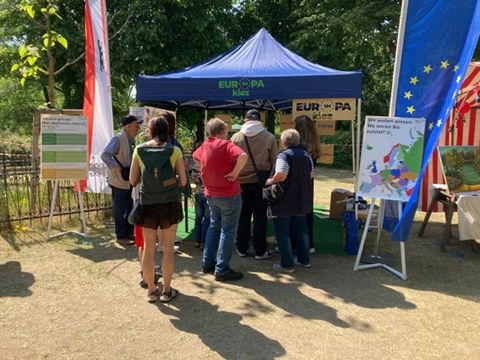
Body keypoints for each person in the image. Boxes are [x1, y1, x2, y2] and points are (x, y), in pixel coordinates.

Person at [130, 115, 187, 303]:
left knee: (148, 248)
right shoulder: (175, 150)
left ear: (151, 131)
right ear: (167, 130)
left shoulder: (139, 149)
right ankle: (167, 291)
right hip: (169, 202)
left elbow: (132, 180)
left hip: (148, 203)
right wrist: (170, 181)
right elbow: (184, 181)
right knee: (168, 249)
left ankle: (152, 291)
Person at [193, 118, 248, 282]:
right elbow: (243, 156)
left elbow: (196, 158)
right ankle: (222, 268)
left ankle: (207, 263)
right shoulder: (226, 144)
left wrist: (207, 170)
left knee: (213, 227)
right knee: (228, 230)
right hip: (229, 193)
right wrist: (235, 172)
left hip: (211, 193)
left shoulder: (204, 145)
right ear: (222, 131)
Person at [231, 109, 278, 259]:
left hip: (241, 182)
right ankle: (260, 250)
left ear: (245, 120)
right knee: (260, 217)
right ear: (260, 120)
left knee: (243, 216)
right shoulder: (269, 137)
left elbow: (231, 160)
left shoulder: (236, 137)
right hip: (261, 182)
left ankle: (242, 248)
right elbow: (275, 161)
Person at [266, 129, 314, 273]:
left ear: (283, 142)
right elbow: (311, 174)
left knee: (283, 232)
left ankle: (286, 264)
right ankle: (304, 259)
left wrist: (270, 180)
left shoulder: (284, 156)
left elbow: (281, 174)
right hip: (301, 198)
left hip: (284, 199)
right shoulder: (307, 156)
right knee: (301, 230)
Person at [101, 114, 142, 246]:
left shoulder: (127, 139)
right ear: (128, 126)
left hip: (125, 180)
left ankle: (128, 233)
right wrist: (115, 166)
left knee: (128, 206)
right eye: (136, 125)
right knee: (120, 208)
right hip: (118, 181)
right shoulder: (118, 138)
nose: (138, 128)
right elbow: (105, 154)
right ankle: (121, 235)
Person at [293, 115, 321, 254]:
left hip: (295, 182)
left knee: (293, 213)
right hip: (308, 182)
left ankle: (294, 244)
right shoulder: (314, 145)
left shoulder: (297, 146)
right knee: (307, 212)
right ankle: (309, 244)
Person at [191, 141, 210, 250]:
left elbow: (193, 179)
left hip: (198, 193)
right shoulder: (210, 163)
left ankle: (197, 241)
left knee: (198, 218)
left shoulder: (196, 165)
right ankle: (203, 241)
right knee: (207, 218)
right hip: (208, 193)